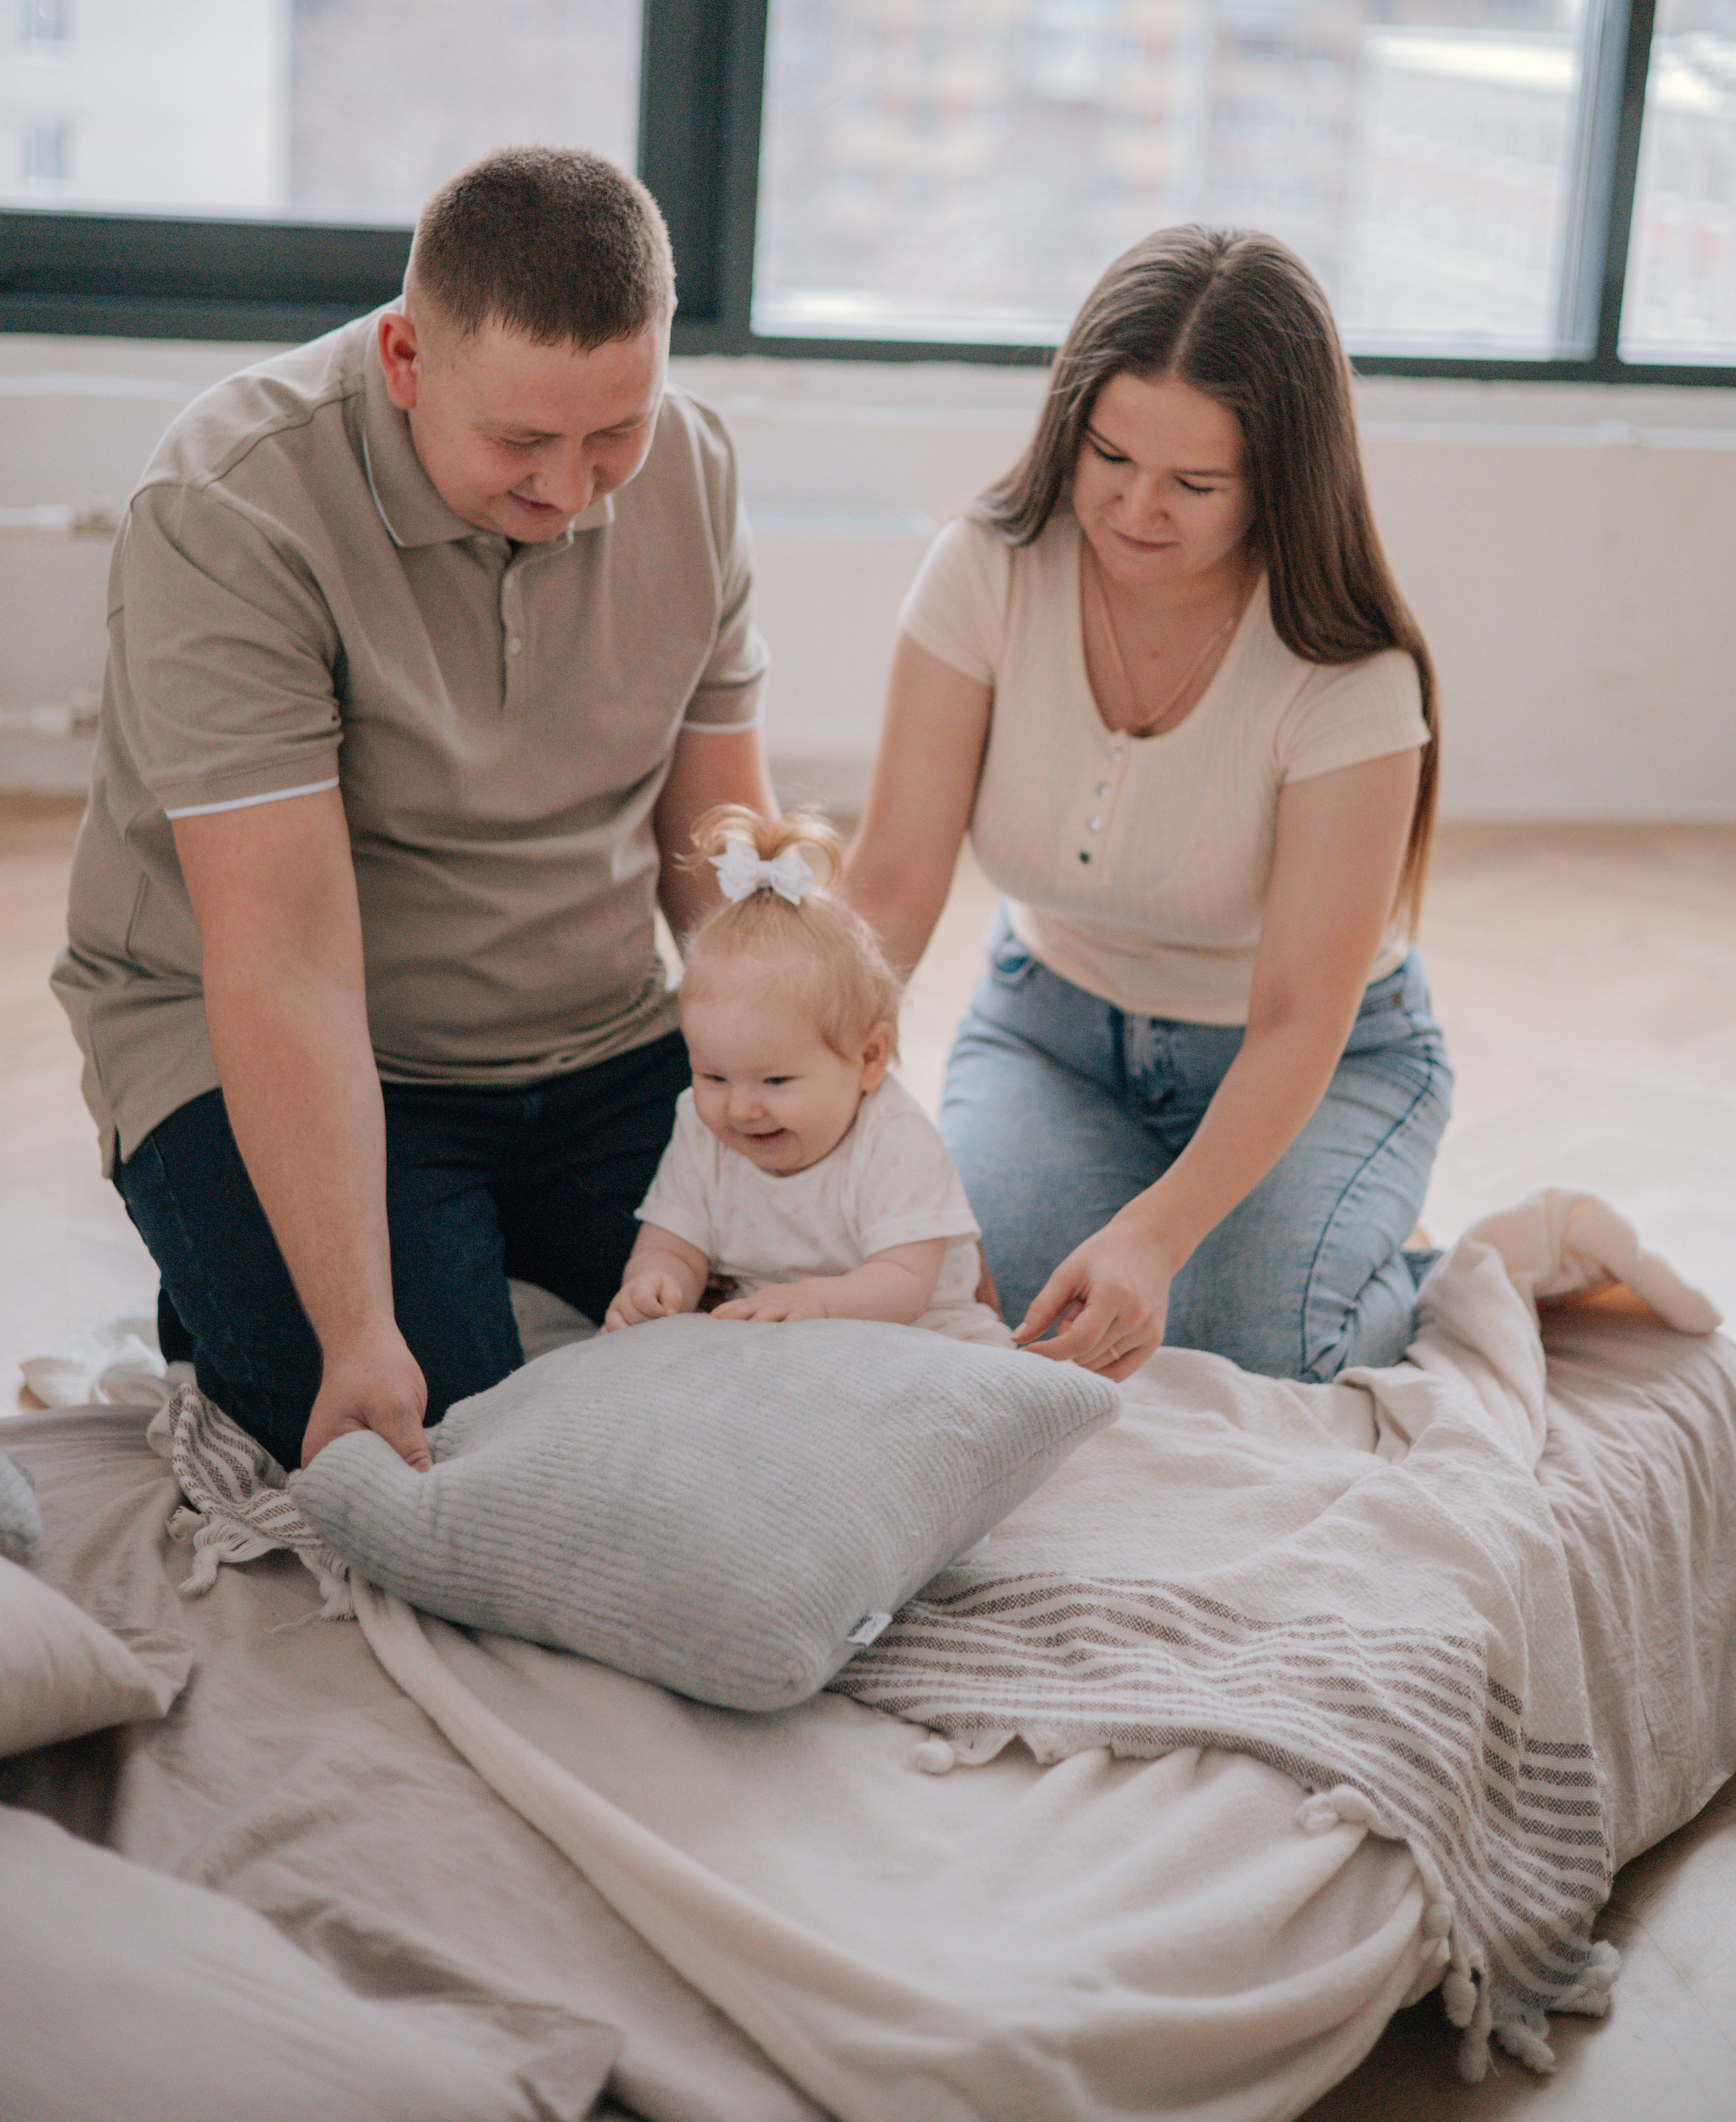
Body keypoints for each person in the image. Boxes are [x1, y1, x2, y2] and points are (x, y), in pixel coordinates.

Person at [52, 148, 775, 1473]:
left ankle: (423, 1253)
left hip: (595, 1034)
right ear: (403, 360)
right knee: (443, 1444)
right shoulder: (230, 505)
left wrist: (827, 1091)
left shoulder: (695, 464)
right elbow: (285, 961)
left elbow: (715, 850)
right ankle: (236, 1275)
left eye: (614, 433)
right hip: (304, 1033)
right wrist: (353, 1330)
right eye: (520, 443)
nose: (570, 491)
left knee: (821, 1324)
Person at [844, 226, 1453, 1386]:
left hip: (1314, 1057)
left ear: (1278, 483)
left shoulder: (1350, 671)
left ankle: (1419, 1261)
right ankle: (1272, 1231)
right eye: (1111, 456)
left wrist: (1157, 1236)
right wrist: (808, 1099)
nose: (1134, 508)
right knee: (1021, 1316)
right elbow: (890, 885)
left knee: (1253, 1344)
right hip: (1053, 1033)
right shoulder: (985, 569)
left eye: (1194, 485)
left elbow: (1300, 1017)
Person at [605, 808, 1006, 1345]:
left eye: (775, 1082)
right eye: (714, 1077)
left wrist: (817, 1302)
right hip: (775, 1336)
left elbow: (906, 1281)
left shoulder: (894, 1138)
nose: (740, 1109)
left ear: (869, 1058)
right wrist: (657, 1283)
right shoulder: (702, 1132)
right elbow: (672, 1244)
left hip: (922, 1334)